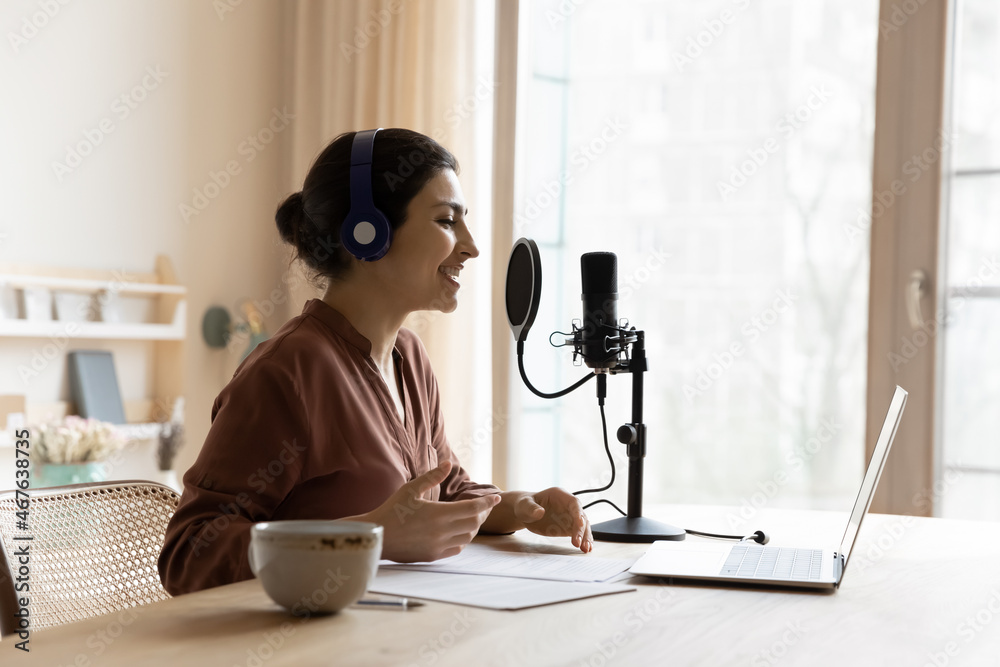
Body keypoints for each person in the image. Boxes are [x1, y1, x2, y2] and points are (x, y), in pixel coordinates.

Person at [158, 128, 593, 596]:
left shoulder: (410, 358)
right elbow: (189, 553)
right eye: (447, 220)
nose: (471, 246)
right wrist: (371, 537)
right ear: (368, 233)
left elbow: (442, 491)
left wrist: (519, 507)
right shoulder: (288, 371)